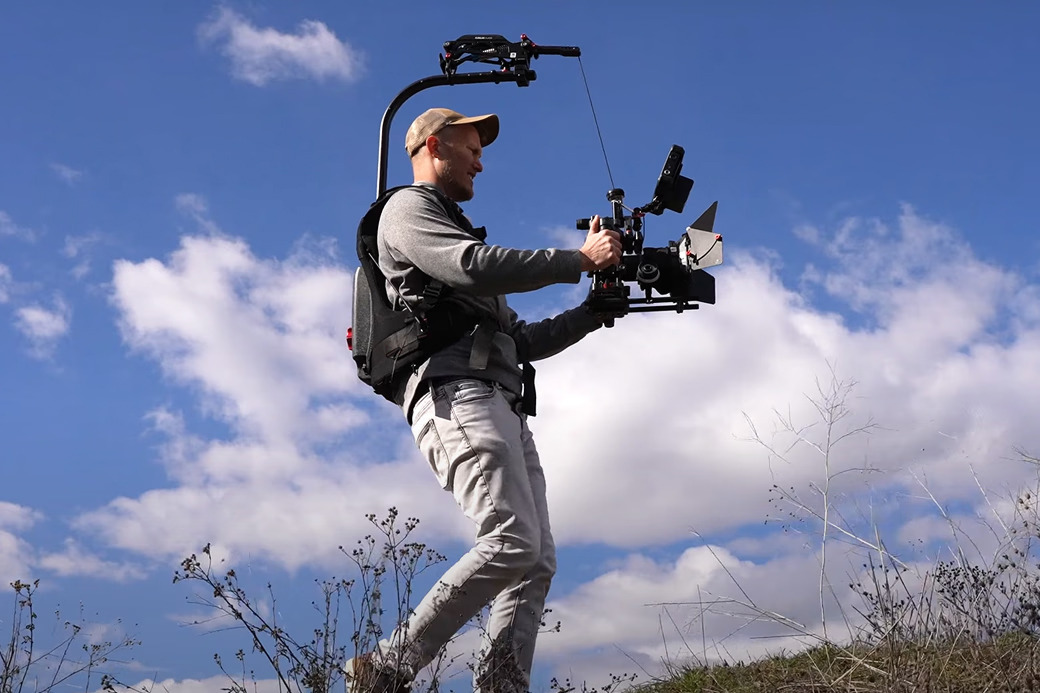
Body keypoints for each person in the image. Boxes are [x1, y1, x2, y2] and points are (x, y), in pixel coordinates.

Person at [345, 107, 622, 693]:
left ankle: (501, 686)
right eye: (471, 147)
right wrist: (578, 260)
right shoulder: (408, 210)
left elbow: (520, 341)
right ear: (435, 147)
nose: (481, 159)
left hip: (497, 398)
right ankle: (386, 669)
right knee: (511, 538)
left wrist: (593, 315)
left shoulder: (456, 229)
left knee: (535, 557)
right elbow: (472, 268)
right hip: (456, 392)